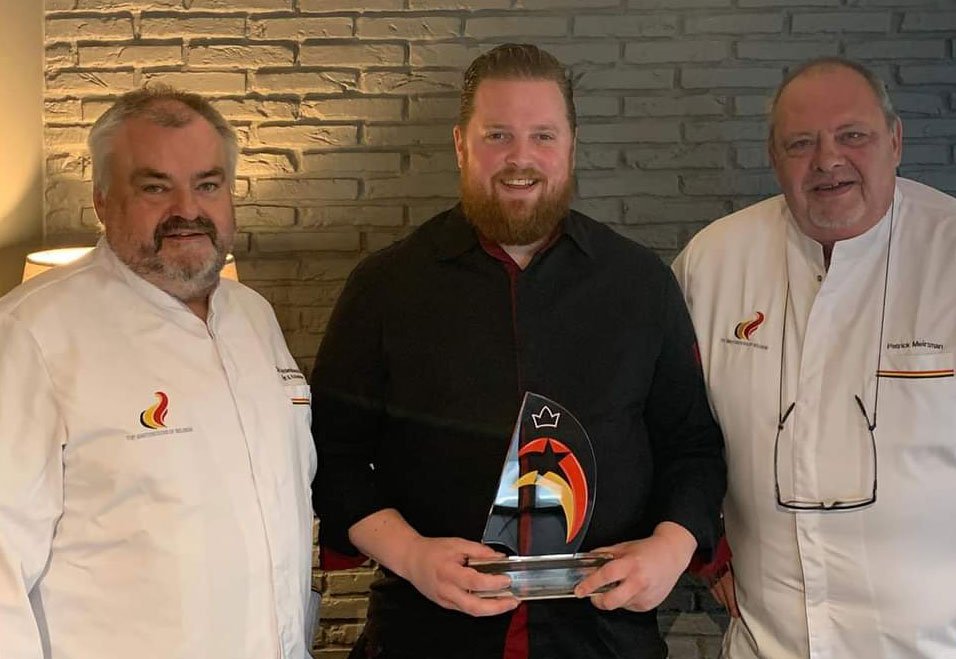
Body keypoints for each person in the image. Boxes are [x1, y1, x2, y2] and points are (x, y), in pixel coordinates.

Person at [311, 43, 725, 659]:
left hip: (606, 639)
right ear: (461, 145)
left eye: (543, 136)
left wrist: (671, 547)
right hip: (425, 637)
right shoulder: (384, 287)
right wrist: (412, 554)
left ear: (571, 146)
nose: (520, 159)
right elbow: (332, 455)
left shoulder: (641, 283)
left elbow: (692, 446)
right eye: (498, 135)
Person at [0, 86, 316, 659]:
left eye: (208, 184)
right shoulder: (31, 334)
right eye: (155, 187)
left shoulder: (254, 317)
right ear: (102, 201)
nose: (187, 210)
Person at [673, 57, 956, 658]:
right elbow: (666, 424)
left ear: (896, 141)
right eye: (800, 143)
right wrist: (704, 545)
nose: (828, 160)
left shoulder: (949, 249)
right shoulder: (713, 261)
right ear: (774, 158)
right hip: (768, 643)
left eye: (853, 135)